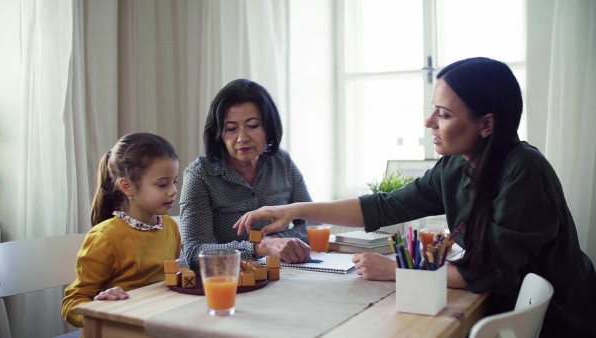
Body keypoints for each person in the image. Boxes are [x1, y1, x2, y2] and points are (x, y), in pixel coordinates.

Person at [233, 57, 596, 337]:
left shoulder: (524, 171)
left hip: (555, 321)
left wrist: (396, 270)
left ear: (486, 124)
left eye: (444, 114)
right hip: (503, 311)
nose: (428, 122)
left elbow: (492, 272)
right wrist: (292, 210)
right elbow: (385, 205)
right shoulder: (456, 166)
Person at [179, 78, 313, 270]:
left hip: (281, 275)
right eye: (231, 129)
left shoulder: (282, 162)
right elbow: (194, 251)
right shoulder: (200, 174)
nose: (242, 138)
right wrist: (258, 247)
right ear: (219, 134)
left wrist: (278, 240)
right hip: (225, 280)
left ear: (268, 127)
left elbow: (312, 223)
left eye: (252, 125)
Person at [61, 133, 182, 328]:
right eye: (162, 184)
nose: (173, 191)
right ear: (127, 186)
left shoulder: (170, 228)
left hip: (154, 328)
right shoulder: (105, 237)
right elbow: (71, 303)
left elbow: (171, 279)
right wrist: (99, 308)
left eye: (174, 181)